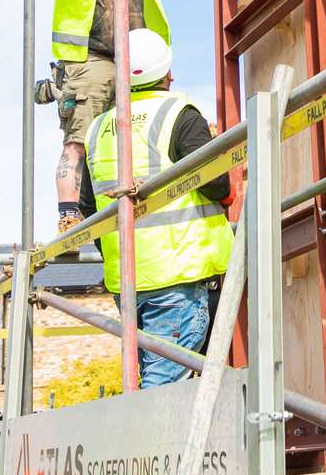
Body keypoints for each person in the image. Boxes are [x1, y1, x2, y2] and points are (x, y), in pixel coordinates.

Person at [36, 0, 219, 234]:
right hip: (89, 61)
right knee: (79, 140)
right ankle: (70, 215)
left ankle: (123, 208)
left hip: (136, 62)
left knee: (133, 137)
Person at [75, 28, 232, 388]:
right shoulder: (180, 115)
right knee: (162, 388)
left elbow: (89, 207)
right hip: (178, 274)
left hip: (127, 280)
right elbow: (217, 184)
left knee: (151, 378)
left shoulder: (98, 128)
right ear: (168, 74)